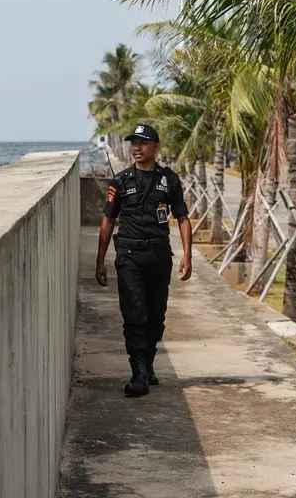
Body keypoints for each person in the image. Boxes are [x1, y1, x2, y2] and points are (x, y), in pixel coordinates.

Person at [96, 123, 192, 397]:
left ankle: (148, 362)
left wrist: (188, 254)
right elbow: (108, 220)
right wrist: (100, 260)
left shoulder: (169, 180)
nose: (137, 148)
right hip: (129, 256)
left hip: (159, 255)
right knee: (134, 313)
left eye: (143, 142)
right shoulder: (121, 181)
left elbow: (182, 218)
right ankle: (138, 372)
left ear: (156, 146)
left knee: (156, 315)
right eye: (133, 143)